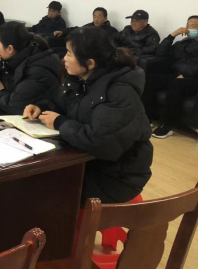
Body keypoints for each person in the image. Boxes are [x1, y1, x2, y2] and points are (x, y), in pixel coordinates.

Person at [23, 27, 153, 204]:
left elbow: (102, 142)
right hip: (89, 162)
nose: (64, 59)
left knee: (38, 188)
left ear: (90, 63)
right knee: (31, 178)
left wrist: (60, 122)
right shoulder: (81, 79)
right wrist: (41, 107)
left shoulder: (119, 90)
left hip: (115, 177)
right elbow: (61, 104)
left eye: (69, 54)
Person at [144, 16, 198, 139]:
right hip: (176, 74)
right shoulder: (182, 43)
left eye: (193, 26)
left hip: (196, 78)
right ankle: (147, 118)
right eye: (188, 25)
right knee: (150, 79)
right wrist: (172, 35)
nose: (189, 28)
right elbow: (160, 52)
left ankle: (167, 125)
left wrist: (186, 74)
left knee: (175, 84)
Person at [0, 21, 61, 114]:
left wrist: (1, 91)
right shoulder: (6, 58)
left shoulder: (39, 68)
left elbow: (14, 105)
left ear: (10, 49)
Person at [53, 7, 118, 39]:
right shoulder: (89, 26)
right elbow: (77, 29)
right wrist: (63, 32)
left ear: (105, 18)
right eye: (94, 16)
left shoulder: (111, 31)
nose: (96, 19)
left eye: (99, 17)